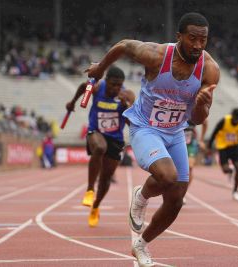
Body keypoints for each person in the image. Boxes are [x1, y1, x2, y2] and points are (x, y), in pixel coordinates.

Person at [85, 12, 219, 266]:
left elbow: (199, 119)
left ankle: (141, 244)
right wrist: (100, 69)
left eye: (204, 40)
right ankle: (142, 196)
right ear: (179, 37)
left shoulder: (209, 70)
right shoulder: (157, 55)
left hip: (175, 132)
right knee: (167, 177)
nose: (198, 46)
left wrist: (202, 105)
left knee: (177, 198)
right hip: (145, 127)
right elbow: (124, 45)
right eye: (192, 39)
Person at [66, 66, 135, 227]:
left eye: (119, 85)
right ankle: (90, 190)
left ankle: (96, 205)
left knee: (106, 178)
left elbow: (132, 123)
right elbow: (84, 87)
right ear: (106, 81)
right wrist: (72, 102)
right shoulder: (97, 88)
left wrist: (126, 108)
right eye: (112, 84)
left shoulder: (127, 95)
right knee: (99, 148)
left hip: (115, 138)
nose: (115, 89)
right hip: (95, 131)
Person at [208, 108, 238, 201]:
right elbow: (214, 133)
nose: (236, 121)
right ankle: (229, 171)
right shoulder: (224, 120)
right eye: (235, 119)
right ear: (232, 116)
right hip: (223, 147)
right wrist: (209, 146)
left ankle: (235, 191)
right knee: (225, 170)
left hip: (235, 147)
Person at [183, 119, 208, 204]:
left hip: (190, 143)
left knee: (189, 168)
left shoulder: (194, 112)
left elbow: (205, 122)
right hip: (175, 140)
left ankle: (182, 193)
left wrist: (201, 140)